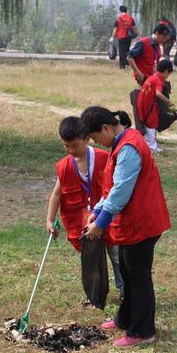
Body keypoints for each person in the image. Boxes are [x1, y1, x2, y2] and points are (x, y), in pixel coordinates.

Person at [81, 107, 171, 348]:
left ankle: (142, 331)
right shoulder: (121, 143)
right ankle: (126, 319)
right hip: (132, 223)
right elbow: (110, 189)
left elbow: (120, 192)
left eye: (94, 138)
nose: (96, 144)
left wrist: (100, 224)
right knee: (129, 274)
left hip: (142, 223)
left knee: (138, 277)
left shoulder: (129, 147)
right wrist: (97, 212)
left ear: (106, 129)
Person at [46, 116, 124, 304]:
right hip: (84, 224)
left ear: (87, 139)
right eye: (66, 146)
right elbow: (57, 194)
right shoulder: (64, 166)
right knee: (89, 259)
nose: (71, 150)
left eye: (75, 145)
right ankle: (93, 295)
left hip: (107, 218)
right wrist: (49, 219)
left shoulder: (104, 158)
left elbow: (117, 188)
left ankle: (125, 290)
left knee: (116, 255)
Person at [136, 59, 175, 152]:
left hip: (142, 103)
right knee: (151, 122)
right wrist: (168, 101)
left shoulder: (152, 77)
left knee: (147, 123)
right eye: (168, 74)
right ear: (166, 71)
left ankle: (147, 144)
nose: (168, 76)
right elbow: (158, 93)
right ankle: (151, 147)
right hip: (147, 105)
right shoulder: (158, 80)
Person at [109, 5, 139, 70]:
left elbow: (115, 29)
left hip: (121, 37)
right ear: (126, 10)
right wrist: (138, 35)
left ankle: (123, 66)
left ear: (120, 11)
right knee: (127, 50)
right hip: (129, 37)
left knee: (122, 52)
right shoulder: (130, 18)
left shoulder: (118, 18)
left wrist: (112, 37)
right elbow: (134, 28)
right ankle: (127, 65)